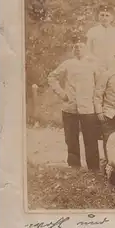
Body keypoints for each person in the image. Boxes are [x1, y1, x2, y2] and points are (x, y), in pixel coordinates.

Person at [47, 35, 101, 171]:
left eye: (81, 46)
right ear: (72, 49)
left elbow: (100, 84)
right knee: (71, 138)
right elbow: (52, 77)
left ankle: (93, 167)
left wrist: (97, 101)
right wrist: (61, 93)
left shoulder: (94, 64)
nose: (78, 49)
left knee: (91, 138)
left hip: (88, 107)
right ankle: (74, 165)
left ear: (86, 48)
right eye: (75, 46)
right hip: (70, 106)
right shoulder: (67, 64)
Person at [86, 4, 115, 71]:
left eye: (107, 15)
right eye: (102, 15)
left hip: (114, 66)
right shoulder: (92, 31)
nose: (104, 18)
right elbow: (88, 50)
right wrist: (94, 63)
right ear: (98, 17)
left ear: (112, 18)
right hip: (96, 66)